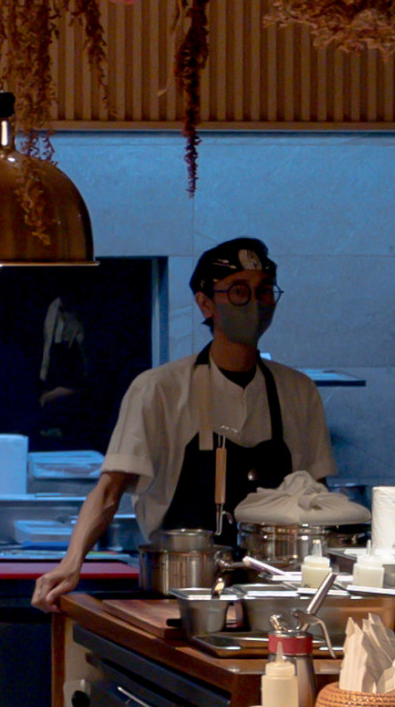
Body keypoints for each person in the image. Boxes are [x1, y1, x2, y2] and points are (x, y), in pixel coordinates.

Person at [35, 238, 332, 608]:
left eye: (264, 291)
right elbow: (109, 491)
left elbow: (320, 502)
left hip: (274, 596)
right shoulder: (159, 389)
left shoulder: (297, 391)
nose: (254, 303)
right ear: (205, 303)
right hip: (179, 593)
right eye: (239, 292)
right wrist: (71, 562)